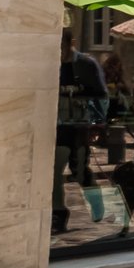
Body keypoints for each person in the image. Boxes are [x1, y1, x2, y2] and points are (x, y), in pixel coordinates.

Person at [52, 29, 109, 234]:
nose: (58, 51)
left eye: (61, 46)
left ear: (70, 44)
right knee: (54, 172)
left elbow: (101, 95)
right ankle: (58, 213)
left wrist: (97, 123)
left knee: (80, 172)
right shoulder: (51, 64)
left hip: (79, 126)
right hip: (56, 127)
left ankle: (96, 201)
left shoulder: (86, 64)